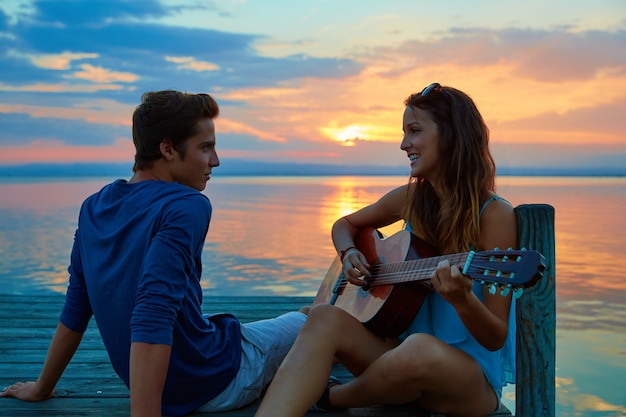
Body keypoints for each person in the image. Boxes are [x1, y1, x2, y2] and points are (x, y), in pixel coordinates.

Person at [0, 90, 308, 417]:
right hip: (215, 381)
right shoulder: (185, 205)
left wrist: (41, 387)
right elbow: (153, 313)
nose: (215, 161)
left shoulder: (94, 206)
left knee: (289, 324)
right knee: (314, 321)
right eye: (206, 147)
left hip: (173, 374)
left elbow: (78, 303)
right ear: (168, 149)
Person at [254, 83, 517, 417]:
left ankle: (334, 398)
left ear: (452, 135)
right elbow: (344, 224)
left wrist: (463, 300)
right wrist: (350, 254)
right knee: (321, 316)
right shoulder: (410, 200)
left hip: (464, 383)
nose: (404, 144)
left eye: (415, 131)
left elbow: (495, 337)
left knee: (419, 349)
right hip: (398, 365)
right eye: (404, 132)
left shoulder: (494, 215)